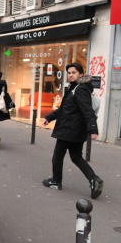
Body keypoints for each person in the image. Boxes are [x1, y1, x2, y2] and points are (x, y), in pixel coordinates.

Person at [42, 62, 103, 199]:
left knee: (58, 156)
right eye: (69, 73)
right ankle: (94, 179)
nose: (70, 75)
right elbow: (64, 109)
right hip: (75, 130)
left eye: (73, 72)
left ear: (81, 74)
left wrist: (93, 129)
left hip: (68, 129)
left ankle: (56, 181)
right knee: (76, 157)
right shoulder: (76, 88)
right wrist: (49, 117)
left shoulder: (79, 90)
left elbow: (87, 110)